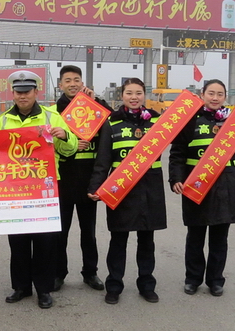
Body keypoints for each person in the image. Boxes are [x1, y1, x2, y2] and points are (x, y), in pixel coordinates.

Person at [0, 70, 78, 309]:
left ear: (36, 92)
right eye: (18, 92)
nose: (22, 96)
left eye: (27, 91)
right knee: (17, 241)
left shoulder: (52, 117)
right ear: (13, 93)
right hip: (13, 190)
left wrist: (64, 136)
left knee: (45, 242)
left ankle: (44, 289)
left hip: (44, 189)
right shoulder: (3, 120)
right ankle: (21, 286)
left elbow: (69, 151)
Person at [169, 79, 235, 297]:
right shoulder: (190, 120)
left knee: (219, 237)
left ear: (225, 97)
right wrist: (176, 178)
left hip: (226, 184)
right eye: (211, 93)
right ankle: (193, 278)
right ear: (202, 94)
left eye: (219, 94)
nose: (215, 98)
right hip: (196, 184)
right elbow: (177, 152)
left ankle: (215, 280)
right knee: (195, 235)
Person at [87, 77, 166, 305]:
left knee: (147, 241)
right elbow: (103, 159)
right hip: (121, 190)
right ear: (122, 96)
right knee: (118, 240)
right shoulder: (111, 123)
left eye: (138, 93)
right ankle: (114, 285)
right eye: (129, 93)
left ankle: (147, 285)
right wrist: (95, 186)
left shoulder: (157, 122)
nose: (134, 97)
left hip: (150, 188)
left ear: (144, 95)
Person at [51, 65, 111, 292]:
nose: (73, 84)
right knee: (60, 232)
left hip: (88, 179)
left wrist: (97, 101)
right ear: (60, 85)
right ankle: (58, 273)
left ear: (82, 83)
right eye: (68, 80)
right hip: (62, 178)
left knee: (89, 232)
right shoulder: (53, 112)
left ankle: (90, 272)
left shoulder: (93, 107)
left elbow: (113, 121)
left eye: (76, 80)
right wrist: (72, 145)